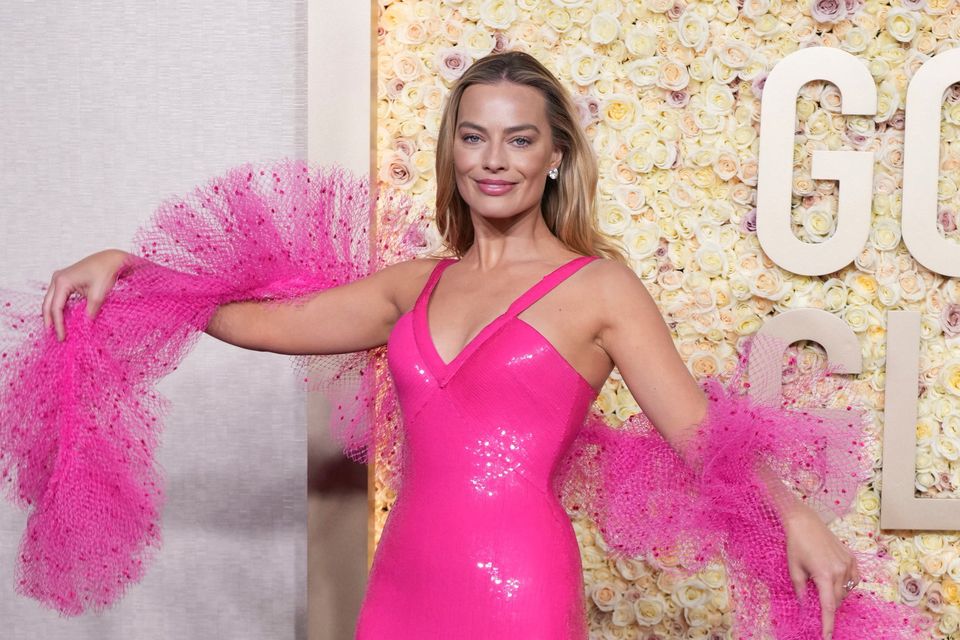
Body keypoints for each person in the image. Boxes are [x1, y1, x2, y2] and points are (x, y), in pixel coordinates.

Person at [29, 52, 911, 639]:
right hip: (402, 578)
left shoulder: (599, 288)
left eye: (520, 138)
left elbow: (698, 434)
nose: (495, 159)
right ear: (452, 150)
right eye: (474, 135)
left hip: (515, 584)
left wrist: (794, 514)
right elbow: (263, 324)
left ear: (555, 157)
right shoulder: (415, 285)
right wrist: (134, 270)